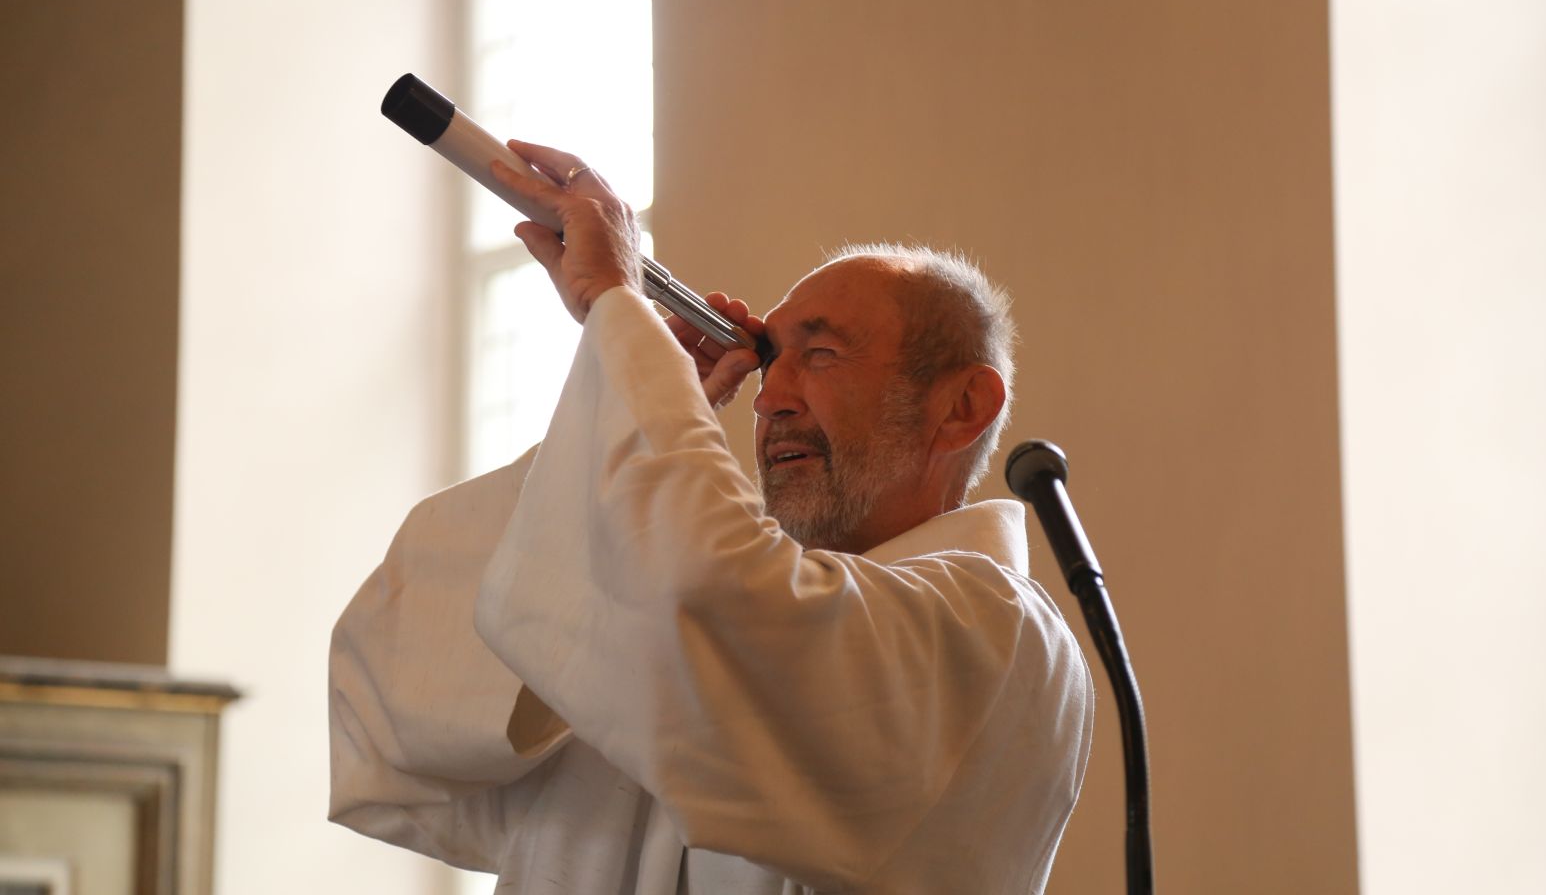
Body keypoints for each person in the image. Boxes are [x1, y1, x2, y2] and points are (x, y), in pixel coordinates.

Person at [329, 140, 1093, 893]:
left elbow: (709, 597)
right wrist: (633, 405)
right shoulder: (674, 635)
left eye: (821, 356)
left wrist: (619, 316)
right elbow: (402, 705)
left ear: (961, 406)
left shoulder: (997, 632)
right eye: (768, 363)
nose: (769, 400)